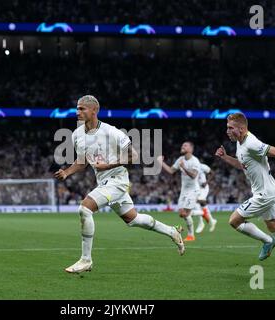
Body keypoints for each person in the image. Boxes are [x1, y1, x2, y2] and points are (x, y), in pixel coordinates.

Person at [55, 95, 185, 274]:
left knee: (84, 209)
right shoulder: (77, 134)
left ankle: (86, 260)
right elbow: (82, 161)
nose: (77, 112)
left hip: (117, 181)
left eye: (82, 109)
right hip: (105, 182)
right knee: (133, 219)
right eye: (77, 108)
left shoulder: (111, 132)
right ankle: (171, 231)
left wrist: (109, 165)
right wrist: (67, 172)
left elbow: (134, 156)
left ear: (94, 110)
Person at [215, 112, 275, 267]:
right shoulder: (240, 142)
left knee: (234, 221)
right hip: (267, 190)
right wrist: (225, 157)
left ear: (242, 129)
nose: (228, 131)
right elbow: (243, 164)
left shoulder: (251, 143)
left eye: (231, 128)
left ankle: (268, 241)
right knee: (273, 226)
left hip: (264, 194)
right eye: (227, 127)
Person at [158, 141, 201, 241]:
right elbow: (171, 171)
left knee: (186, 213)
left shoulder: (195, 161)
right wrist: (161, 163)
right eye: (182, 145)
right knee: (182, 214)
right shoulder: (180, 159)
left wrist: (184, 167)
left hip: (193, 190)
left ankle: (191, 235)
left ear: (191, 149)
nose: (182, 146)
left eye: (185, 145)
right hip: (184, 191)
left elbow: (194, 176)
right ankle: (201, 212)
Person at [194, 163, 217, 234]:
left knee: (197, 202)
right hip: (196, 188)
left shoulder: (202, 166)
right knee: (199, 204)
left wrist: (206, 182)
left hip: (203, 187)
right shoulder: (189, 168)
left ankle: (201, 223)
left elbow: (213, 173)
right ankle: (211, 220)